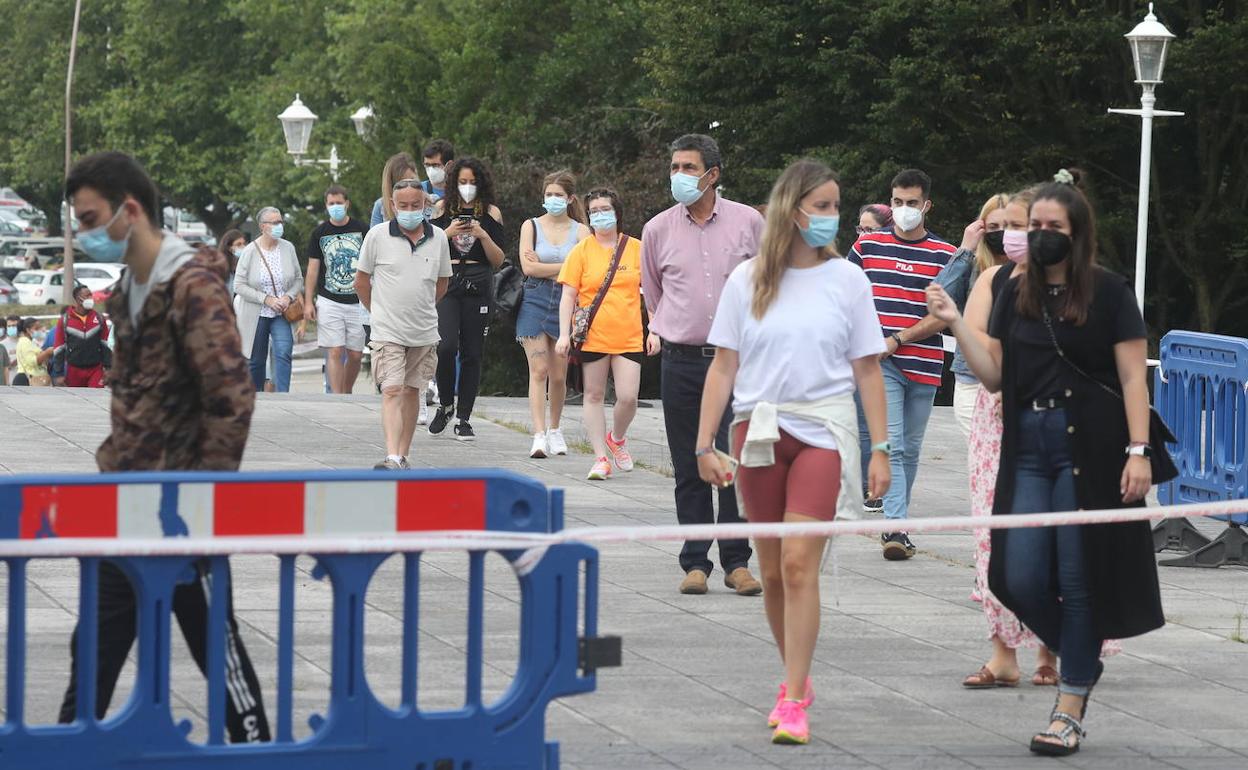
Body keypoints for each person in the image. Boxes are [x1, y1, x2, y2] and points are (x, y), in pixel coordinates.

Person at [927, 173, 1163, 756]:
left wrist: (1140, 451)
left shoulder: (1108, 292)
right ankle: (1082, 660)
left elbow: (1134, 376)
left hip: (1092, 446)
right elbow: (994, 373)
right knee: (1015, 576)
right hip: (1027, 443)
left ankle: (1069, 704)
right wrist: (957, 324)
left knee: (1078, 578)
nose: (1039, 236)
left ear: (1077, 233)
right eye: (1034, 227)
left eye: (1052, 227)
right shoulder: (1013, 290)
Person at [60, 151, 269, 743]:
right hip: (124, 512)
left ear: (129, 211)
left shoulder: (191, 287)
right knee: (89, 665)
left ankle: (260, 756)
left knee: (224, 675)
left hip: (181, 521)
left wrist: (198, 502)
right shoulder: (129, 288)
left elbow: (232, 399)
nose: (83, 233)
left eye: (90, 218)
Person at [696, 159, 891, 745]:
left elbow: (868, 370)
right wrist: (703, 444)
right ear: (792, 208)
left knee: (803, 565)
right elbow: (723, 364)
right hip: (755, 432)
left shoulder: (848, 280)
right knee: (775, 570)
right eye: (823, 206)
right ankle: (794, 680)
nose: (832, 217)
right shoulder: (747, 279)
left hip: (824, 431)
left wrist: (881, 449)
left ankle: (795, 694)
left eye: (836, 206)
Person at [641, 133, 764, 597]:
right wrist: (672, 326)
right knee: (689, 461)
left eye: (688, 168)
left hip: (737, 362)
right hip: (681, 360)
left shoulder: (749, 222)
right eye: (674, 167)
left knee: (734, 460)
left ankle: (737, 561)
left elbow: (768, 283)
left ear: (713, 174)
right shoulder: (657, 230)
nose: (678, 176)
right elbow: (654, 293)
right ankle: (695, 561)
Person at [849, 168, 957, 560]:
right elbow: (847, 296)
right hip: (881, 364)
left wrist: (899, 338)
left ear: (926, 205)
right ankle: (894, 527)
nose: (904, 210)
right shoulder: (867, 248)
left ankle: (899, 522)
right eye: (897, 202)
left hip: (924, 361)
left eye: (912, 203)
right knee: (892, 444)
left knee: (911, 447)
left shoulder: (946, 255)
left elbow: (945, 314)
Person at [356, 180, 452, 469]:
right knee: (392, 388)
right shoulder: (377, 236)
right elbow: (361, 282)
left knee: (412, 390)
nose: (410, 211)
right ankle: (392, 455)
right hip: (387, 329)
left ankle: (403, 454)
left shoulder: (439, 239)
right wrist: (379, 311)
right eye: (403, 205)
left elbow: (443, 283)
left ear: (425, 205)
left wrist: (421, 306)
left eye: (416, 205)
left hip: (423, 329)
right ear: (393, 205)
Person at [555, 188, 643, 481]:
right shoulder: (580, 251)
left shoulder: (636, 248)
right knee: (592, 395)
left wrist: (655, 328)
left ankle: (617, 438)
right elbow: (568, 295)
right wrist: (563, 335)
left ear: (617, 212)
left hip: (629, 334)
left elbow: (652, 292)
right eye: (594, 211)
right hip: (592, 335)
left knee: (628, 397)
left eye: (605, 209)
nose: (600, 215)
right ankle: (600, 458)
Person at [429, 156, 505, 440]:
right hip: (448, 283)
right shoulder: (441, 209)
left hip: (478, 283)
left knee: (473, 352)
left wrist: (482, 235)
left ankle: (464, 417)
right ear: (453, 184)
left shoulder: (491, 213)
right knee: (446, 346)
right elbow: (427, 251)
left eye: (473, 182)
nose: (468, 187)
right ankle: (446, 403)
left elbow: (498, 259)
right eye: (462, 182)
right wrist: (447, 233)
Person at [517, 170, 590, 458]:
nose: (553, 199)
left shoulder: (581, 231)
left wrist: (547, 266)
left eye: (558, 195)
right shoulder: (530, 226)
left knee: (559, 375)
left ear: (570, 198)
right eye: (549, 194)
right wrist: (564, 267)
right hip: (534, 298)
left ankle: (555, 429)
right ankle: (538, 434)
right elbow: (528, 269)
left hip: (566, 301)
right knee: (539, 370)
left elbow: (583, 270)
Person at [303, 184, 369, 394]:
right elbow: (312, 270)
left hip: (358, 301)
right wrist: (307, 302)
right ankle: (338, 397)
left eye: (339, 203)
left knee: (356, 354)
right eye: (331, 204)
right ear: (326, 205)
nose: (335, 207)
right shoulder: (319, 233)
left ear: (347, 203)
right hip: (329, 300)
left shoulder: (362, 229)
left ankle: (346, 391)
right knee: (335, 351)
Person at [233, 206, 303, 393]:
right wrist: (266, 299)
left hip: (281, 313)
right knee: (256, 360)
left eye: (281, 221)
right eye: (275, 222)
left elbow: (298, 280)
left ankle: (283, 395)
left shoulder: (288, 248)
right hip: (257, 313)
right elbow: (238, 285)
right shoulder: (249, 251)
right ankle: (256, 398)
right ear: (263, 226)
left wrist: (288, 297)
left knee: (284, 352)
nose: (280, 225)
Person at [53, 283, 112, 388]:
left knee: (96, 398)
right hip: (73, 370)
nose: (91, 298)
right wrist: (58, 373)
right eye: (87, 296)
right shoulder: (65, 320)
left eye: (91, 295)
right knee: (76, 402)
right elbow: (59, 348)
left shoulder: (99, 318)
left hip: (95, 369)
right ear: (78, 299)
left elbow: (105, 345)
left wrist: (108, 368)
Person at [371, 152, 421, 228]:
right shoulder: (381, 206)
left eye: (412, 180)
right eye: (402, 183)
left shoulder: (431, 201)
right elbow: (374, 237)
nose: (409, 186)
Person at [420, 138, 455, 219]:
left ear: (449, 165)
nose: (431, 170)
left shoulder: (459, 191)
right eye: (427, 165)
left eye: (435, 165)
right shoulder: (419, 190)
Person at [13, 316, 53, 386]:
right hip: (27, 380)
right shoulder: (25, 342)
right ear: (28, 330)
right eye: (37, 328)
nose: (40, 330)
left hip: (35, 379)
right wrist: (47, 353)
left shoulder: (32, 342)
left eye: (40, 327)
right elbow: (32, 361)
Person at [219, 228, 246, 296]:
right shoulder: (222, 267)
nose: (243, 247)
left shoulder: (245, 262)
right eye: (238, 244)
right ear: (229, 248)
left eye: (244, 243)